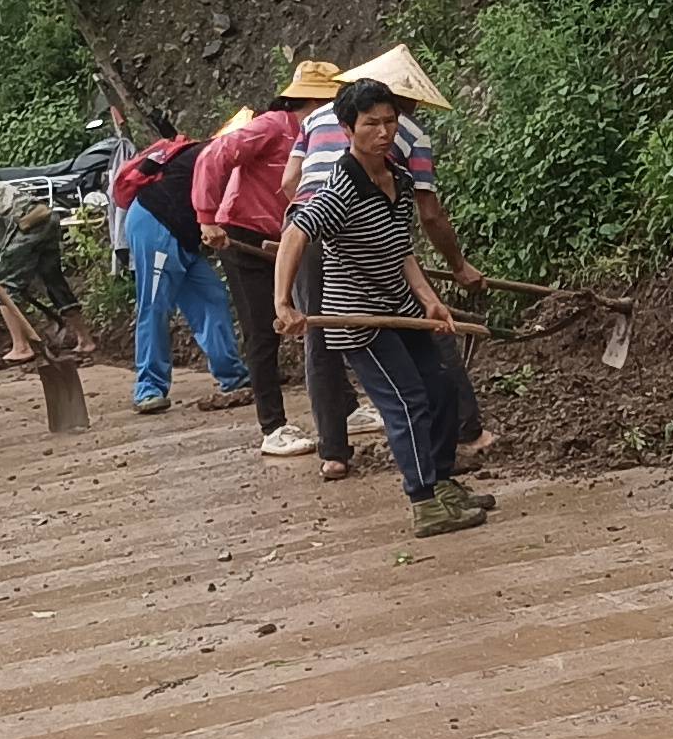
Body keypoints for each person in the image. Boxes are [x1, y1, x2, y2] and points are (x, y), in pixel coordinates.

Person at [273, 78, 491, 537]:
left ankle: (442, 482)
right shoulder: (341, 189)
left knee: (442, 388)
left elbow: (402, 250)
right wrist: (284, 302)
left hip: (398, 306)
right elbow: (295, 234)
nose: (384, 132)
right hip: (360, 320)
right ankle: (424, 502)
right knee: (408, 402)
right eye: (371, 123)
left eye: (390, 121)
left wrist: (430, 300)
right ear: (348, 127)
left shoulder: (399, 177)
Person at [194, 70, 320, 458]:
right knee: (263, 328)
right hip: (244, 233)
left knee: (319, 315)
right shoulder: (273, 127)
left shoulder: (317, 134)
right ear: (312, 101)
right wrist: (207, 217)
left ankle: (343, 408)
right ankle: (273, 426)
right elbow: (214, 155)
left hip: (289, 236)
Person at [112, 126, 248, 415]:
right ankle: (148, 388)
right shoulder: (212, 157)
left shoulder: (222, 158)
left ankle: (234, 376)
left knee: (212, 298)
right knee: (155, 305)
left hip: (182, 235)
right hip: (155, 223)